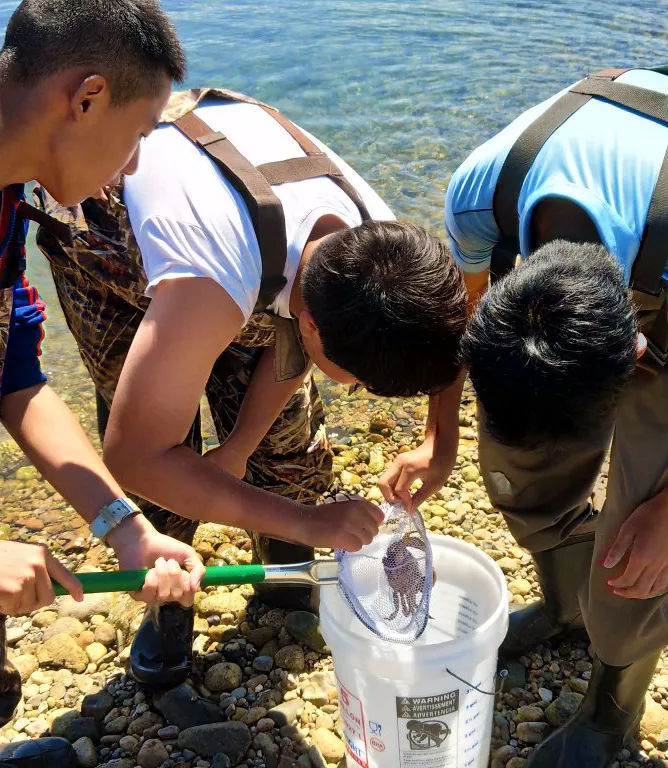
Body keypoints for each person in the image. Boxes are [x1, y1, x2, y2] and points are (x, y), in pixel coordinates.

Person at [34, 86, 468, 689]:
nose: (359, 390)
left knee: (290, 444)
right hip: (112, 235)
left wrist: (237, 450)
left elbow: (300, 348)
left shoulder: (378, 254)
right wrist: (312, 523)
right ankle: (169, 614)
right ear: (312, 325)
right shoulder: (211, 275)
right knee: (166, 461)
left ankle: (284, 586)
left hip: (241, 223)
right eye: (361, 381)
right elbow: (135, 456)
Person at [381, 66, 668, 766]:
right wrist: (439, 437)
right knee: (514, 466)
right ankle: (570, 610)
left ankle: (611, 712)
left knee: (641, 543)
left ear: (635, 353)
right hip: (604, 226)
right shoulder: (480, 201)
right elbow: (463, 316)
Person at [0, 2, 207, 767]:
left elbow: (17, 374)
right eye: (139, 134)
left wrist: (123, 526)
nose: (132, 168)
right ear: (85, 99)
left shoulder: (10, 195)